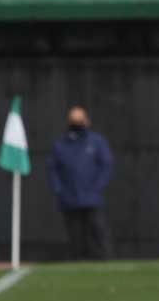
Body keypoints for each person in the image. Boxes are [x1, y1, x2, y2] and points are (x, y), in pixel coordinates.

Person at [47, 106, 114, 260]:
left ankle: (104, 260)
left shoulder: (96, 142)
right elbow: (53, 169)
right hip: (69, 198)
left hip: (92, 198)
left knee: (97, 231)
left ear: (86, 121)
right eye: (73, 121)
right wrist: (59, 190)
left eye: (79, 120)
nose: (76, 124)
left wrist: (97, 187)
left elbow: (106, 165)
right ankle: (79, 261)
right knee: (75, 235)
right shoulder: (60, 144)